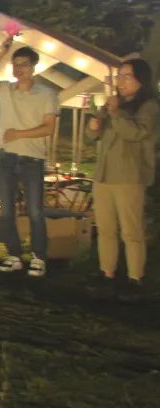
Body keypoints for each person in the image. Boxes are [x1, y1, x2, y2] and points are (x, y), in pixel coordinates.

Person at [0, 38, 59, 277]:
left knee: (35, 211)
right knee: (6, 210)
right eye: (15, 64)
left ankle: (38, 257)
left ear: (33, 67)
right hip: (6, 157)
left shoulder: (47, 93)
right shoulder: (5, 89)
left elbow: (49, 128)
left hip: (32, 158)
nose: (19, 69)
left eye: (23, 64)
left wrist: (19, 134)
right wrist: (0, 52)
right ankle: (13, 254)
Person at [85, 59, 159, 288]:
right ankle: (107, 272)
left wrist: (116, 113)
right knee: (105, 228)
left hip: (129, 176)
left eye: (127, 76)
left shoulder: (149, 107)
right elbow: (93, 135)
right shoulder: (113, 104)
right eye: (120, 76)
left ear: (141, 79)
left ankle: (135, 277)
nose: (121, 81)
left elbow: (135, 133)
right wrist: (93, 127)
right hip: (104, 175)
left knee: (131, 231)